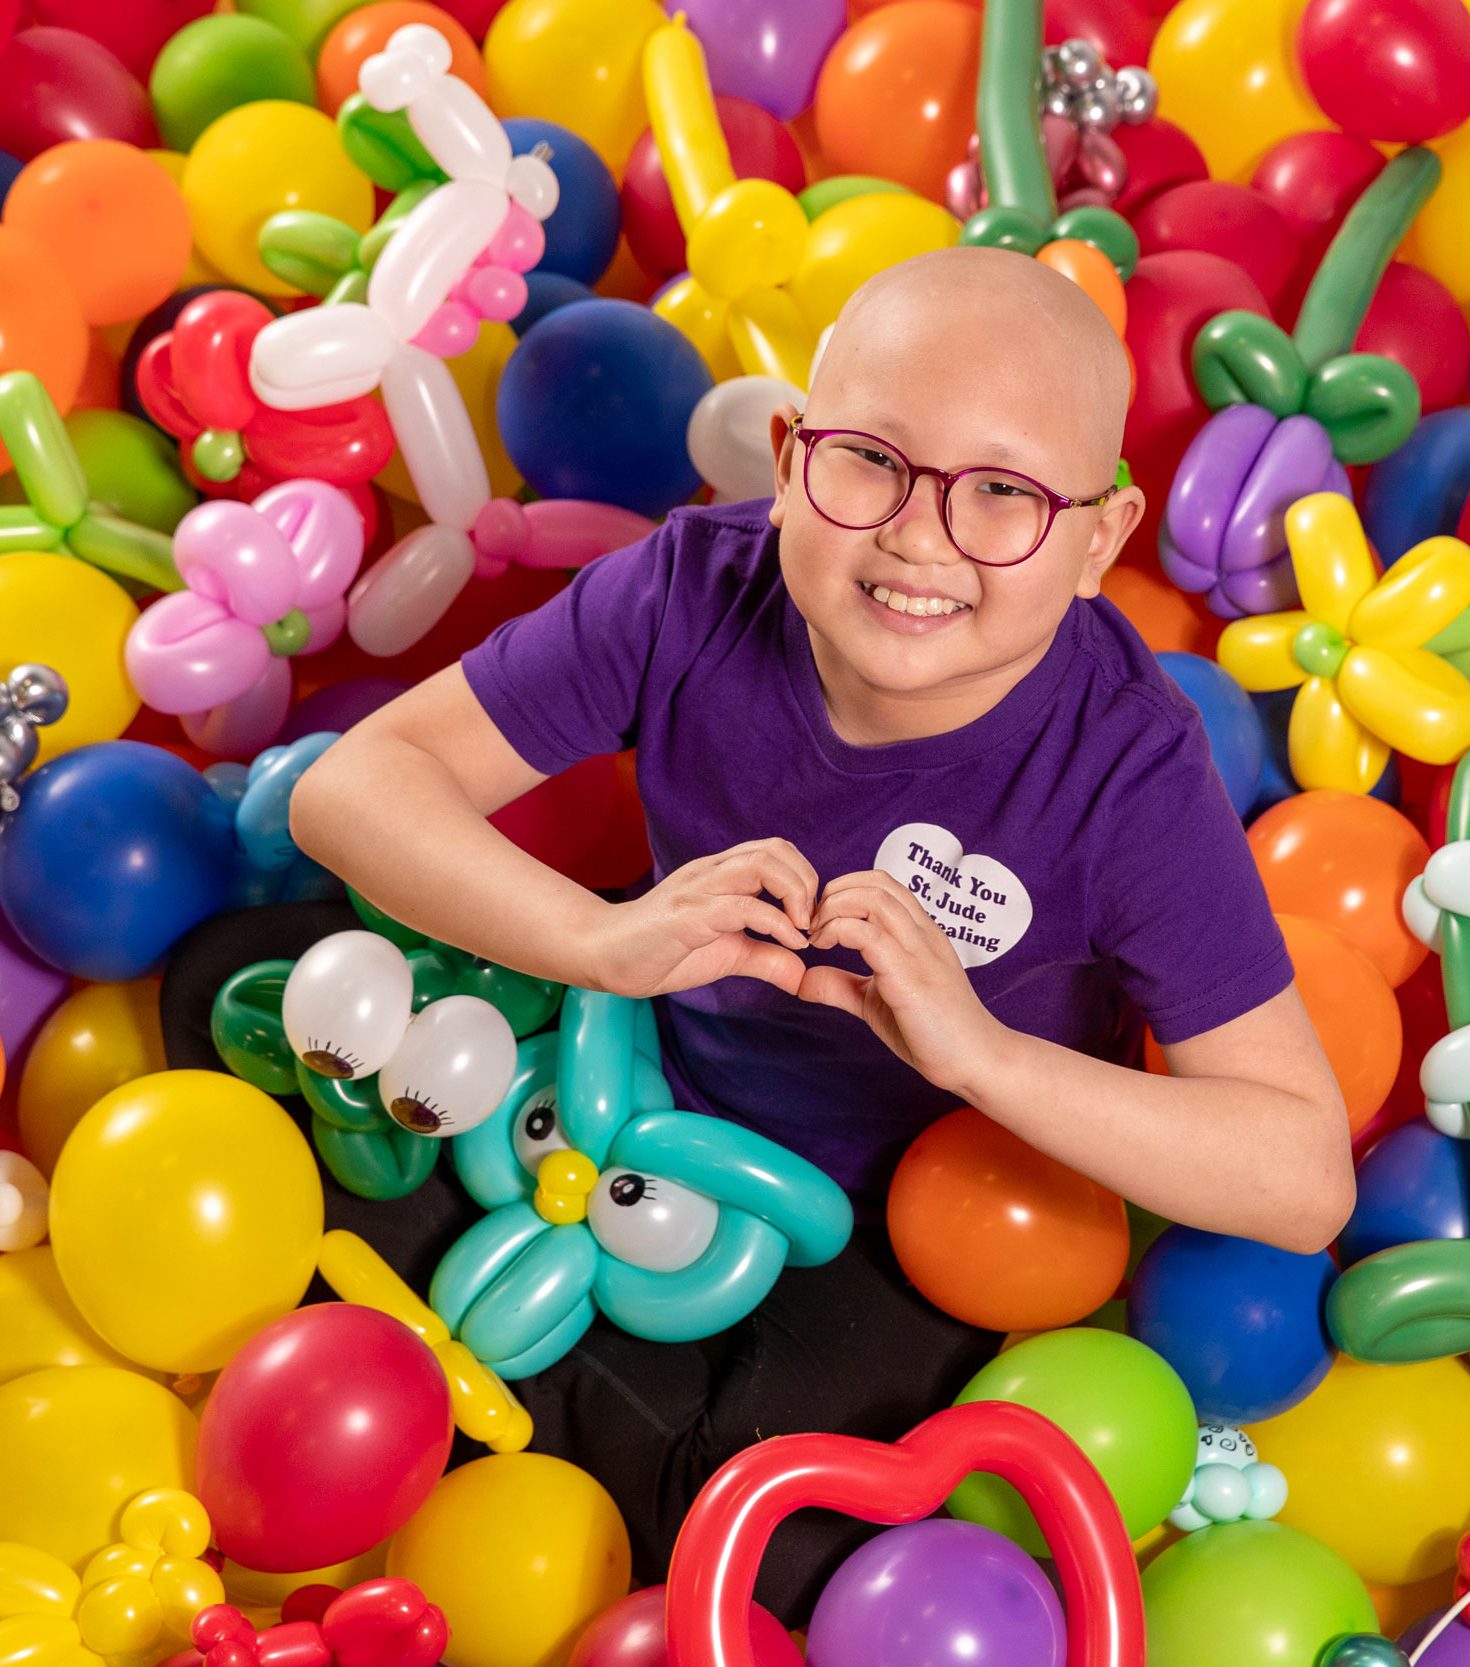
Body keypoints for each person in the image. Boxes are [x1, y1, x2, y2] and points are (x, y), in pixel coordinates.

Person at [285, 245, 1354, 1620]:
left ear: (1096, 543)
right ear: (788, 458)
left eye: (1003, 496)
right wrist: (595, 943)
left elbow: (1301, 1170)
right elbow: (347, 787)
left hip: (916, 1211)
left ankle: (529, 1393)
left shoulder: (1124, 773)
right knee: (231, 996)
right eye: (870, 464)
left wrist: (981, 1057)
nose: (919, 539)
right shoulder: (691, 589)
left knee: (776, 1561)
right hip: (624, 1095)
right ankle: (525, 1385)